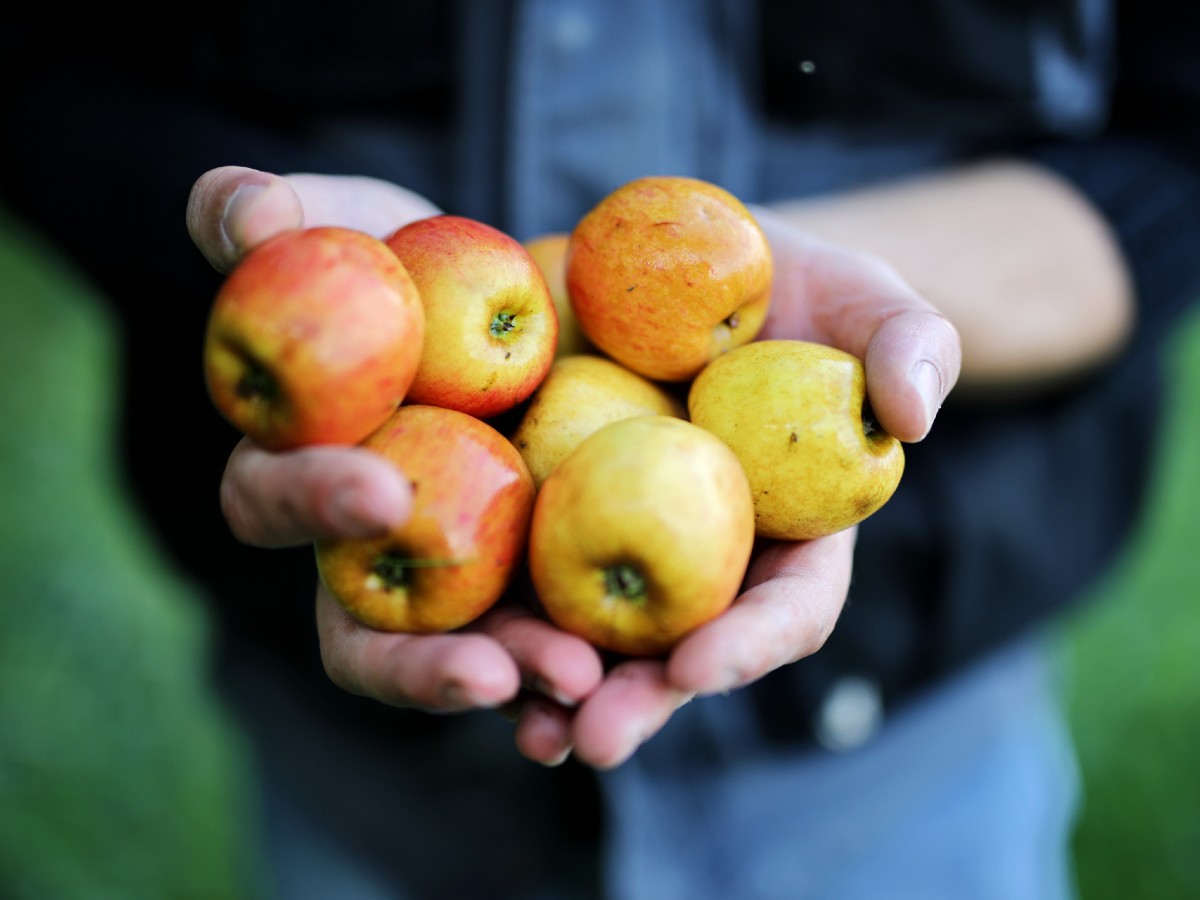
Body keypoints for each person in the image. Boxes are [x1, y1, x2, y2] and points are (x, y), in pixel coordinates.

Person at [3, 1, 1198, 897]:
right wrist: (248, 251)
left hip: (901, 759)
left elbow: (1176, 142)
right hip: (368, 767)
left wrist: (830, 300)